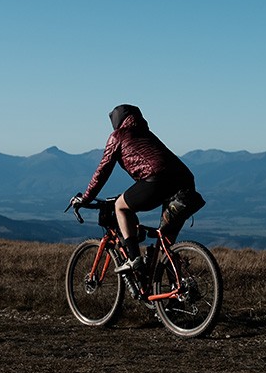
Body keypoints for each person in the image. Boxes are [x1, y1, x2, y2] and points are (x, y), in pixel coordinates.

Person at [71, 104, 202, 278]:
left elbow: (102, 171)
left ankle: (134, 258)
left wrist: (86, 198)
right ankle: (176, 291)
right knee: (166, 243)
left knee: (120, 206)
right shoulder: (147, 134)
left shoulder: (118, 136)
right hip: (185, 185)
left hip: (156, 180)